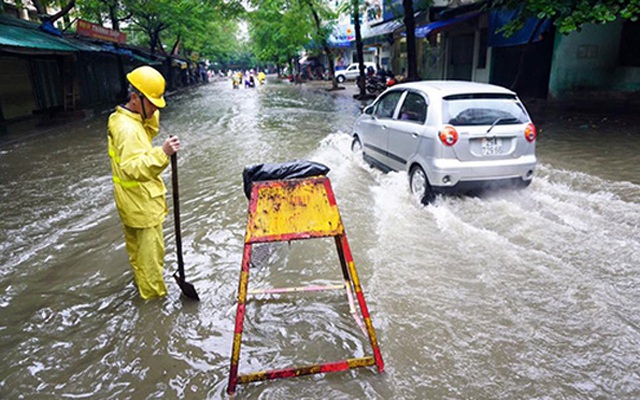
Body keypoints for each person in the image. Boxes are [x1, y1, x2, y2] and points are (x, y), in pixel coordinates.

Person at [107, 65, 180, 300]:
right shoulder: (129, 130)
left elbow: (150, 128)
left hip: (131, 204)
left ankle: (143, 291)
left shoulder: (124, 118)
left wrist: (149, 110)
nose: (155, 110)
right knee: (151, 262)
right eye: (152, 104)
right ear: (135, 98)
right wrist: (163, 153)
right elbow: (132, 168)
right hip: (142, 205)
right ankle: (155, 306)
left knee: (138, 256)